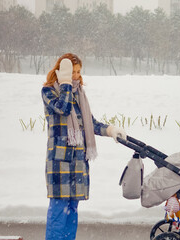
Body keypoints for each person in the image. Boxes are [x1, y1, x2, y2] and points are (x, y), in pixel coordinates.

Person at [41, 53, 126, 240]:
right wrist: (65, 85)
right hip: (60, 162)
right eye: (72, 72)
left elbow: (90, 123)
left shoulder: (79, 94)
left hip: (78, 161)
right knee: (58, 211)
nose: (76, 76)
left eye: (79, 72)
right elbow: (63, 109)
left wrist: (110, 130)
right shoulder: (49, 91)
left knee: (72, 210)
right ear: (62, 72)